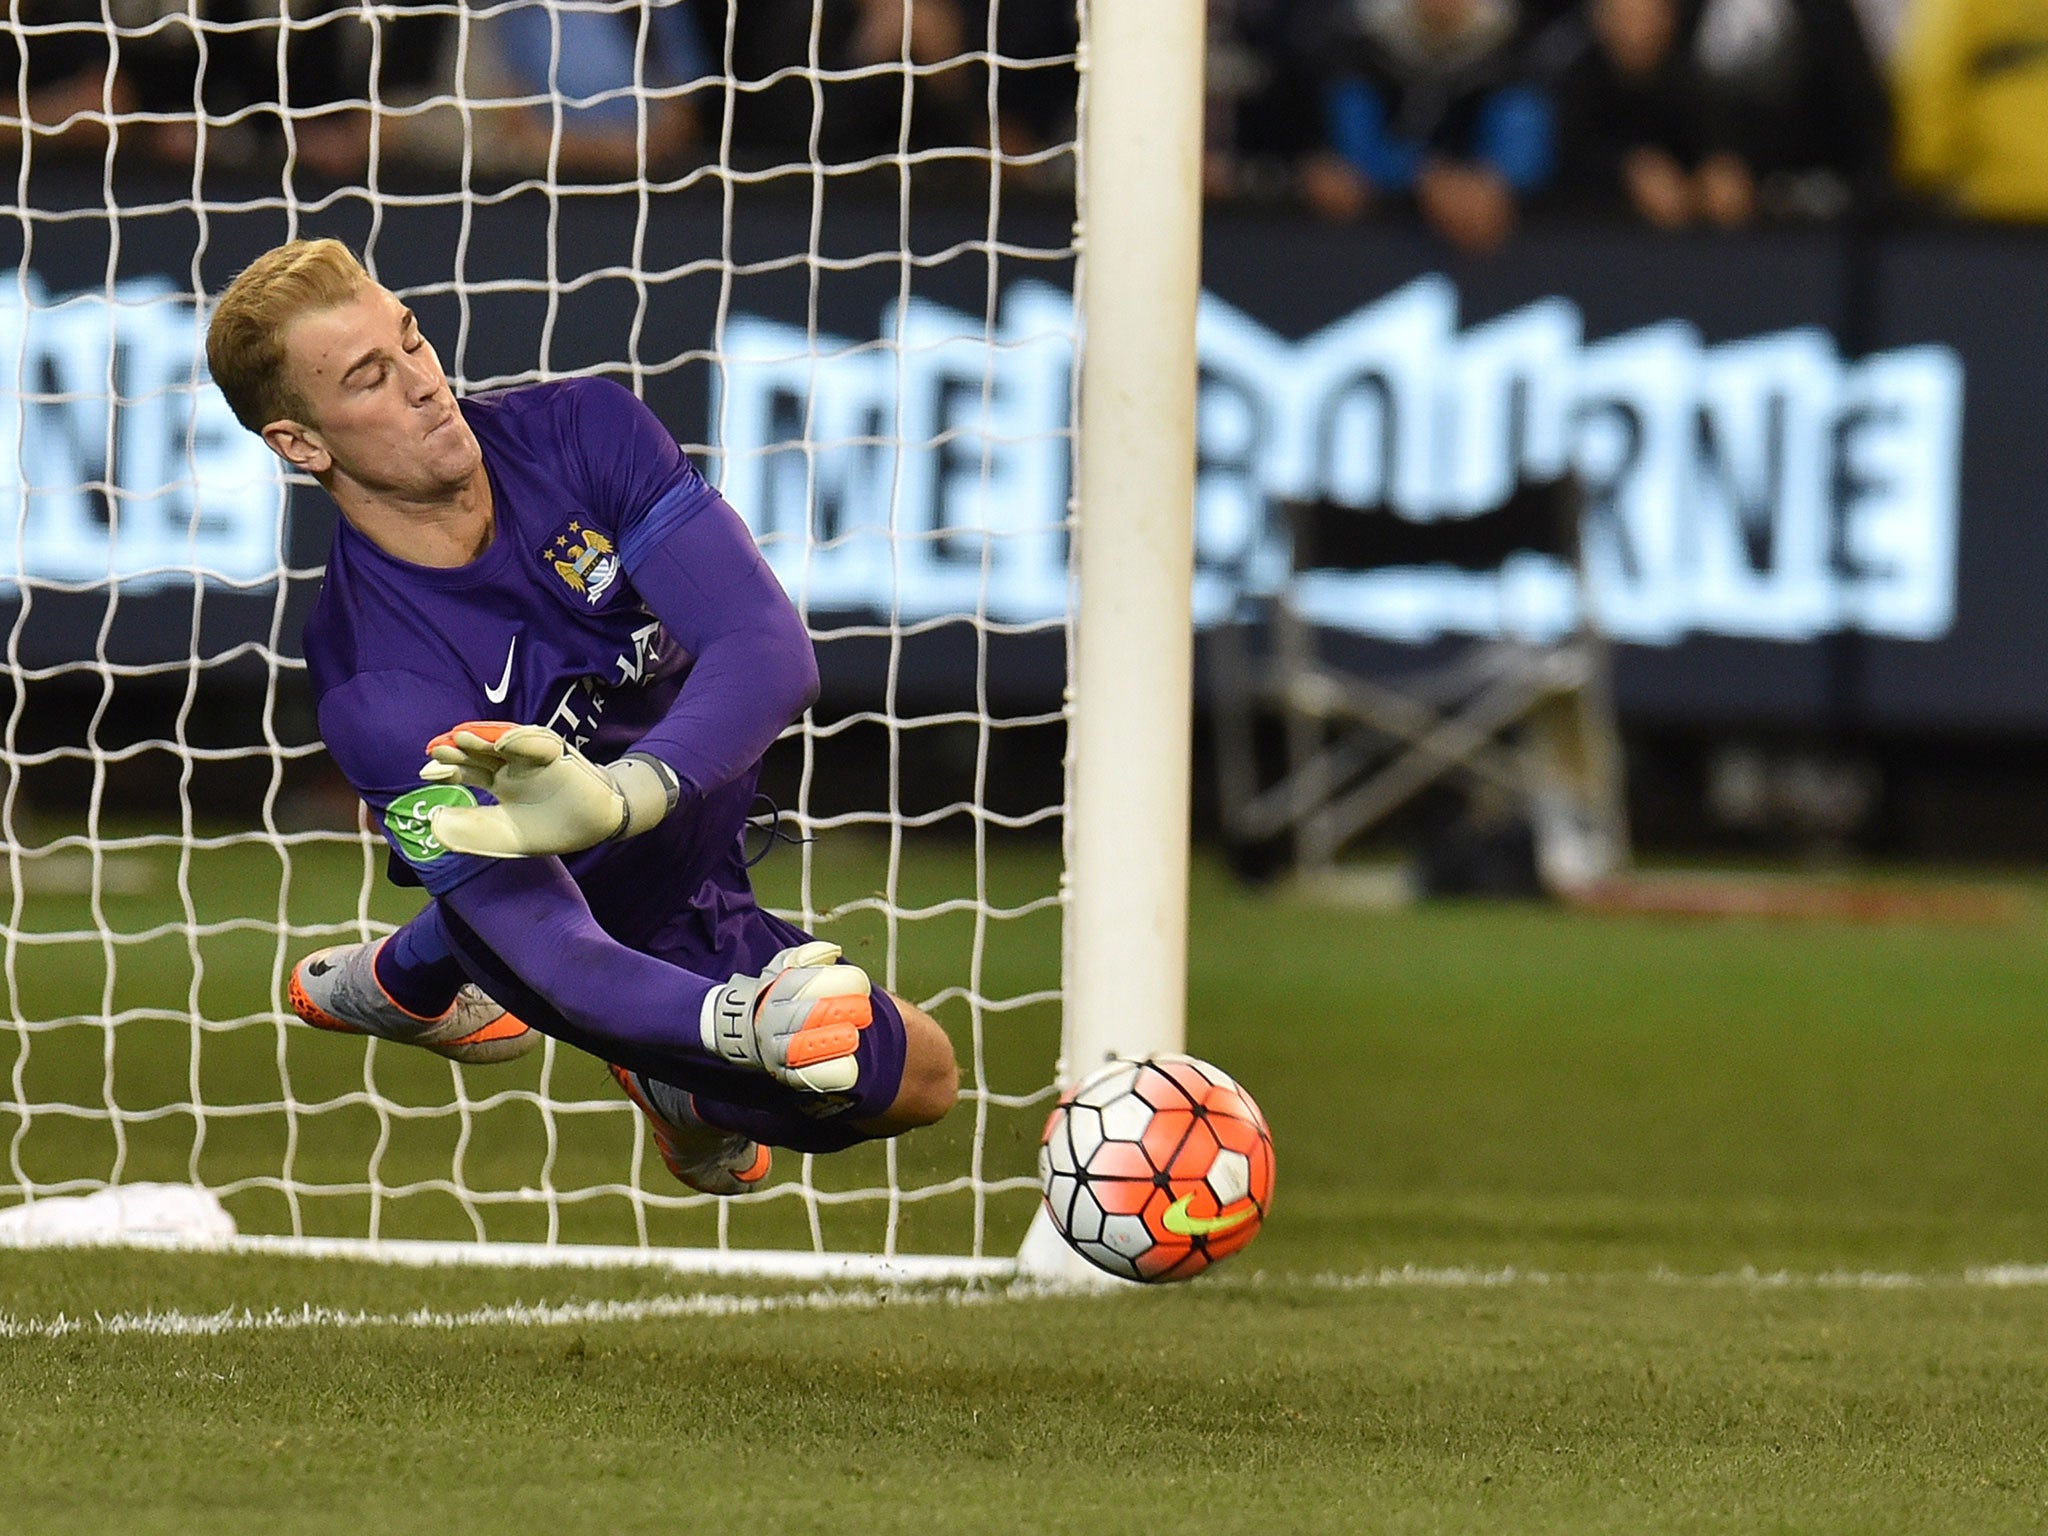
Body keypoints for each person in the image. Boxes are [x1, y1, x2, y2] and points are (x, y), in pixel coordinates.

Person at [204, 239, 959, 1195]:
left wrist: (622, 795)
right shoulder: (376, 681)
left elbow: (767, 649)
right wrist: (735, 1022)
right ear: (302, 443)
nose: (426, 385)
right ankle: (668, 1084)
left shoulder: (578, 431)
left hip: (691, 810)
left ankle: (411, 976)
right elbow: (557, 957)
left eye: (413, 342)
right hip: (578, 925)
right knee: (913, 1077)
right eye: (369, 380)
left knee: (910, 1070)